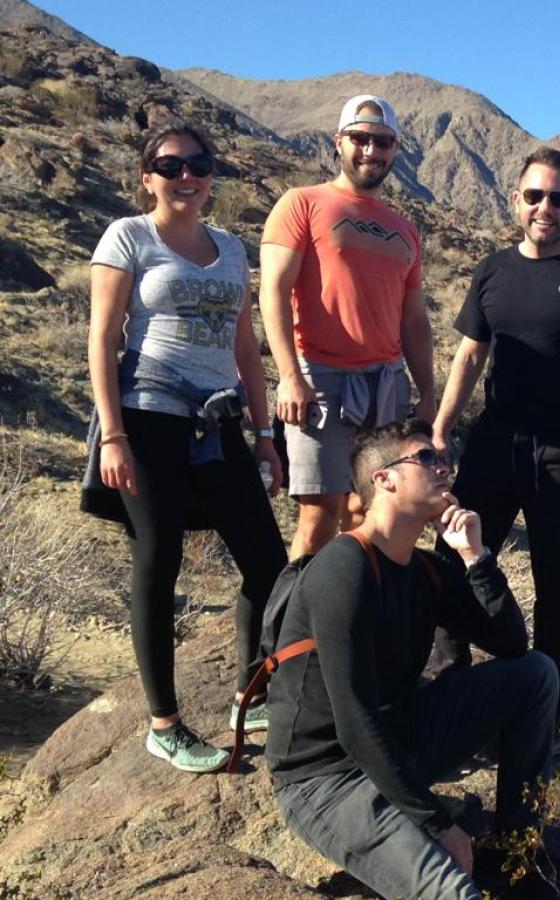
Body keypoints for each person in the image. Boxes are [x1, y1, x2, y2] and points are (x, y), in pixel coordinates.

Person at [267, 419, 558, 900]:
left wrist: (478, 557)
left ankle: (512, 855)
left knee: (537, 675)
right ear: (384, 478)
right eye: (426, 458)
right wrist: (439, 824)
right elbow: (354, 722)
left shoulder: (424, 570)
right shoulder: (345, 567)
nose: (444, 468)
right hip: (326, 778)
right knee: (453, 891)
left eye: (445, 460)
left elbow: (512, 647)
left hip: (400, 736)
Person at [84, 122, 288, 772]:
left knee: (267, 560)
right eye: (170, 166)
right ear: (147, 176)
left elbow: (242, 349)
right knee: (158, 562)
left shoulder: (230, 249)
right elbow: (102, 338)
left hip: (220, 419)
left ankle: (248, 695)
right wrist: (112, 434)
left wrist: (264, 436)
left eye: (198, 165)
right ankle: (164, 724)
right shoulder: (128, 237)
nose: (187, 176)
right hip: (149, 418)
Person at [431, 146, 560, 736]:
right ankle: (449, 687)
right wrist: (441, 430)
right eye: (534, 196)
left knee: (557, 586)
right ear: (515, 200)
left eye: (557, 198)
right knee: (451, 562)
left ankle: (546, 712)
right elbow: (470, 354)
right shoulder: (493, 270)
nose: (544, 207)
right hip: (495, 443)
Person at [260, 94, 435, 560]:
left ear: (396, 150)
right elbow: (273, 292)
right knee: (319, 517)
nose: (370, 151)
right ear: (339, 141)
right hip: (320, 381)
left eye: (383, 142)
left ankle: (356, 624)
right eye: (360, 138)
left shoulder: (405, 230)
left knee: (369, 514)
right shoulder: (302, 204)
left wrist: (428, 393)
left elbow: (414, 320)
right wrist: (290, 377)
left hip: (386, 385)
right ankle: (292, 629)